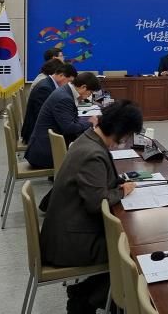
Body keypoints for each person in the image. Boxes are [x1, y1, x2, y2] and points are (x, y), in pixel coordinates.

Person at [40, 100, 143, 314]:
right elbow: (97, 203)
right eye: (127, 135)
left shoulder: (88, 138)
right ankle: (87, 299)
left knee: (125, 242)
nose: (126, 141)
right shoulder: (92, 154)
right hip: (70, 242)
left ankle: (88, 294)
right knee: (132, 253)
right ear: (119, 131)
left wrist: (117, 185)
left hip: (68, 229)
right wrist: (123, 191)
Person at [25, 72, 101, 169]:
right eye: (90, 92)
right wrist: (90, 122)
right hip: (45, 154)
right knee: (89, 160)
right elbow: (69, 128)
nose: (90, 96)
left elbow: (72, 120)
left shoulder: (65, 91)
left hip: (47, 147)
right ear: (83, 87)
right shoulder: (64, 98)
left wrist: (86, 121)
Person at [21, 61, 78, 144]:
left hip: (42, 130)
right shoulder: (45, 89)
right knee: (73, 134)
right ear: (61, 75)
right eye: (69, 81)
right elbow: (43, 116)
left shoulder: (49, 84)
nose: (69, 85)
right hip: (36, 135)